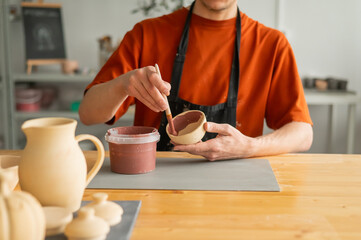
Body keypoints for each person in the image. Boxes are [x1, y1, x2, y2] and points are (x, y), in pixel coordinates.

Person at [79, 0, 313, 161]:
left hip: (237, 188)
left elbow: (303, 134)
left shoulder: (271, 44)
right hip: (154, 185)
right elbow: (88, 115)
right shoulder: (147, 34)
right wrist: (123, 84)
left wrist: (249, 147)